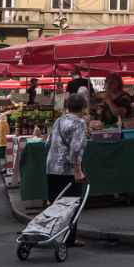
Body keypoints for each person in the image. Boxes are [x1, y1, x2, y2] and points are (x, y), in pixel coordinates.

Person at [45, 93, 88, 247]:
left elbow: (48, 142)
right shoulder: (79, 123)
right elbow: (76, 148)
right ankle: (69, 238)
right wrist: (78, 170)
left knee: (54, 203)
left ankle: (50, 234)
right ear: (83, 107)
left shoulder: (59, 120)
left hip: (52, 167)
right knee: (71, 204)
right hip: (67, 169)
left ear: (67, 106)